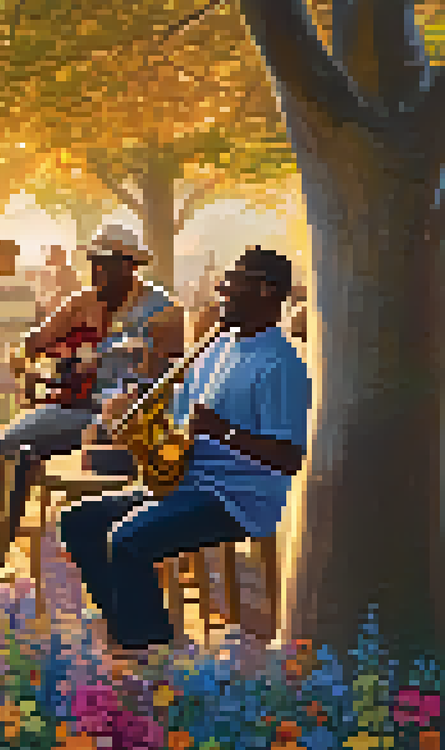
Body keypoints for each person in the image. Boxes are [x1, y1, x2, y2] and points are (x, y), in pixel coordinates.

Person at [58, 247, 311, 663]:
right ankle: (128, 632)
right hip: (189, 482)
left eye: (233, 283)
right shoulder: (217, 346)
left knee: (127, 540)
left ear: (266, 292)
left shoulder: (281, 364)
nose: (221, 290)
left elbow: (288, 458)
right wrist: (141, 410)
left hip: (239, 497)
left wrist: (222, 432)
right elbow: (183, 416)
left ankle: (154, 656)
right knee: (78, 521)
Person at [0, 225, 185, 530]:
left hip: (135, 420)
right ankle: (2, 536)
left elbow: (167, 378)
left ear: (129, 266)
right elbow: (32, 343)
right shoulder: (83, 301)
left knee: (108, 448)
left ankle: (120, 534)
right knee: (11, 443)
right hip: (82, 410)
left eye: (106, 265)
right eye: (94, 264)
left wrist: (108, 360)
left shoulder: (164, 310)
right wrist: (27, 367)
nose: (98, 272)